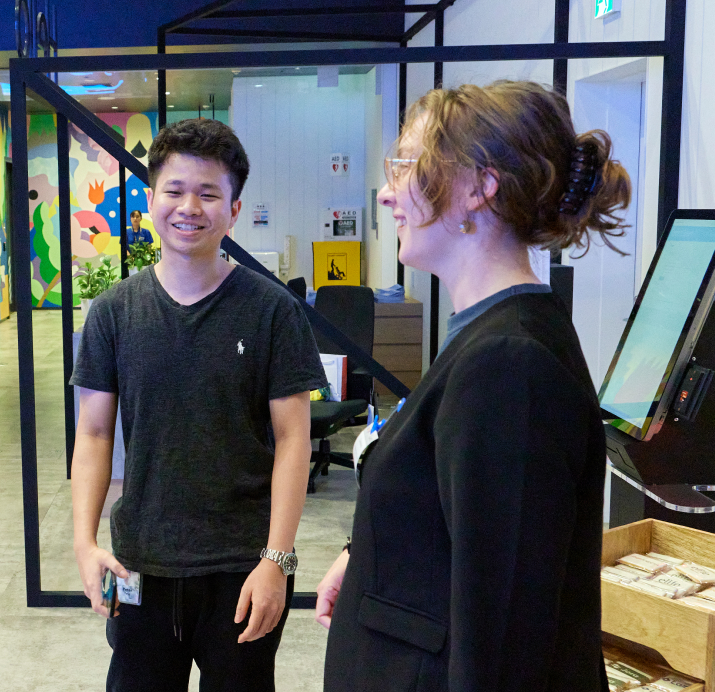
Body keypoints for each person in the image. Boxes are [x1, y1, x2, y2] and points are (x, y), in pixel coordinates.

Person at [316, 81, 631, 690]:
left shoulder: (509, 364)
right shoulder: (487, 335)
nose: (386, 193)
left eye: (404, 165)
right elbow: (456, 525)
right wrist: (366, 559)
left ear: (478, 187)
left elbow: (506, 634)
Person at [71, 118, 328, 691]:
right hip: (142, 562)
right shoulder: (114, 313)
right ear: (150, 198)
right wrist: (84, 544)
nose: (190, 206)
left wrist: (276, 561)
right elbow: (92, 435)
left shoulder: (272, 312)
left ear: (234, 210)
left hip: (242, 565)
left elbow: (292, 439)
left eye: (209, 193)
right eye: (175, 190)